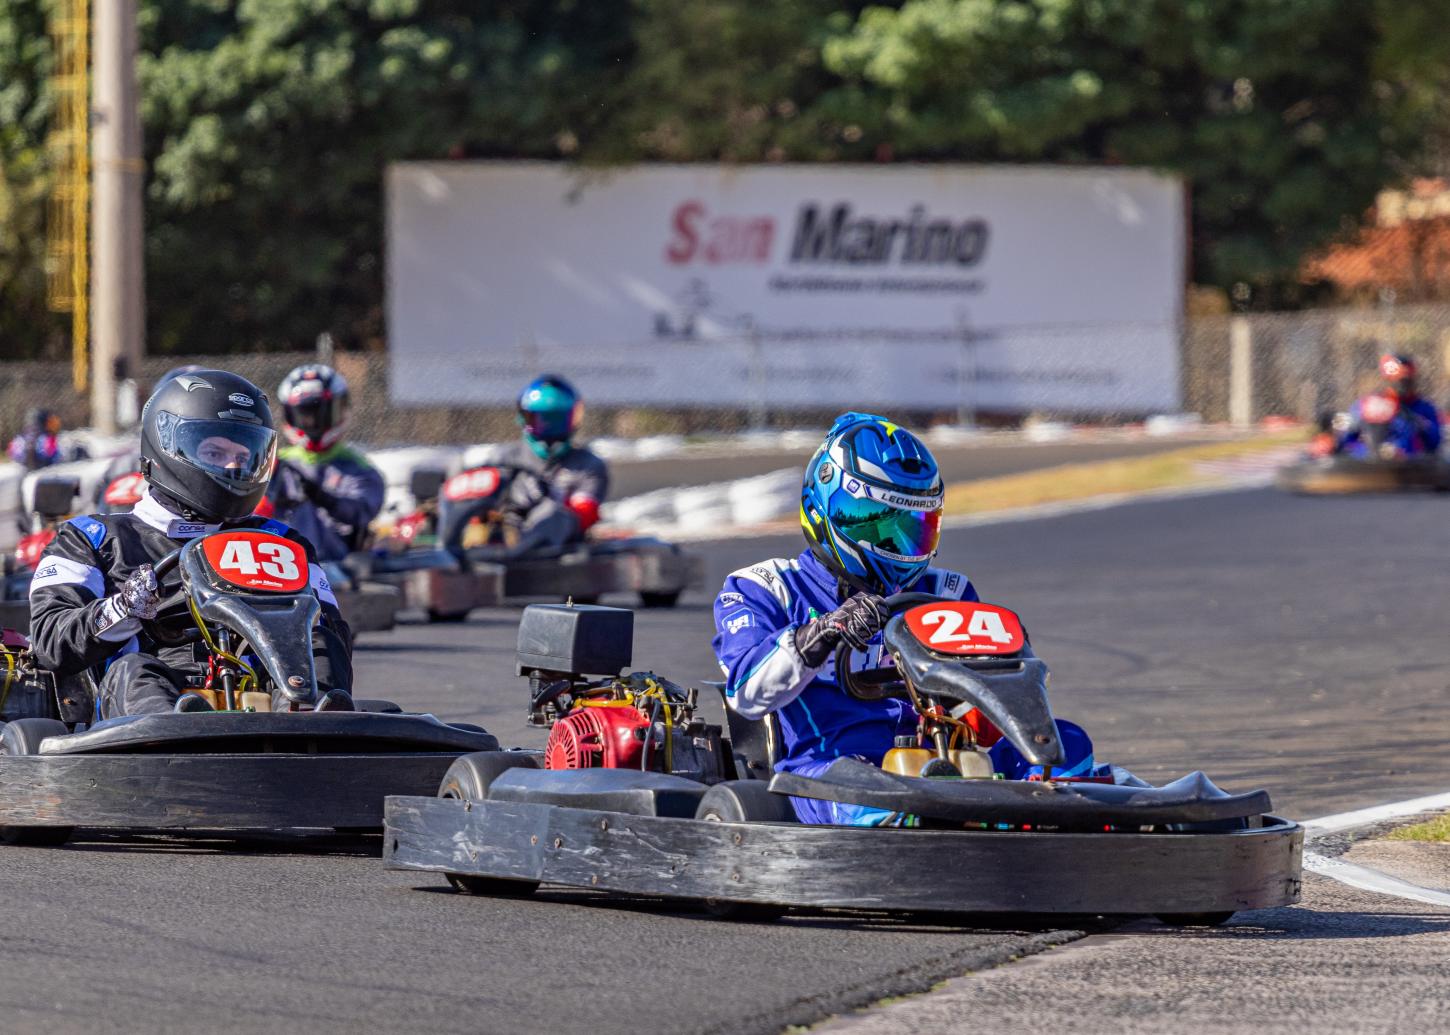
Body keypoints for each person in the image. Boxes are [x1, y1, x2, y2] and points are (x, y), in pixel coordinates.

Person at [711, 412, 1094, 826]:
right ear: (827, 508)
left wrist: (1004, 667)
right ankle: (923, 824)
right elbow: (746, 693)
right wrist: (821, 634)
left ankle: (1063, 819)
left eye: (914, 527)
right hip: (831, 769)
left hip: (944, 763)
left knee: (1067, 744)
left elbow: (980, 714)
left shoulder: (948, 592)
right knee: (879, 793)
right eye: (878, 524)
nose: (899, 544)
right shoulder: (767, 587)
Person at [27, 369, 354, 717]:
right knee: (135, 669)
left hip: (265, 694)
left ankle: (310, 722)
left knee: (320, 642)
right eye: (215, 452)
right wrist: (123, 608)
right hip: (147, 699)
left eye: (244, 456)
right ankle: (178, 730)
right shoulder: (92, 537)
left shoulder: (281, 541)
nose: (234, 466)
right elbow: (51, 642)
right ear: (167, 446)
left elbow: (331, 633)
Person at [258, 364, 384, 563]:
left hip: (339, 567)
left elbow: (362, 511)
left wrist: (325, 499)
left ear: (340, 410)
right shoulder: (275, 465)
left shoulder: (358, 468)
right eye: (305, 414)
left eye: (320, 413)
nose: (312, 422)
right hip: (280, 564)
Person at [482, 375, 609, 555]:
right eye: (542, 420)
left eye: (557, 420)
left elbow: (585, 511)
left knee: (552, 514)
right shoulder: (503, 459)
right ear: (525, 419)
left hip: (558, 552)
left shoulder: (587, 465)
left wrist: (548, 505)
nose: (549, 427)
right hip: (499, 547)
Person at [1334, 353, 1442, 458]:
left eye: (1408, 380)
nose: (1404, 386)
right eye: (1400, 381)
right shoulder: (1367, 405)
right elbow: (1346, 441)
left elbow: (1434, 442)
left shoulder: (1423, 409)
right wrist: (1367, 451)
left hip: (1411, 465)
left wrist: (1419, 425)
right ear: (1388, 380)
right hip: (1370, 465)